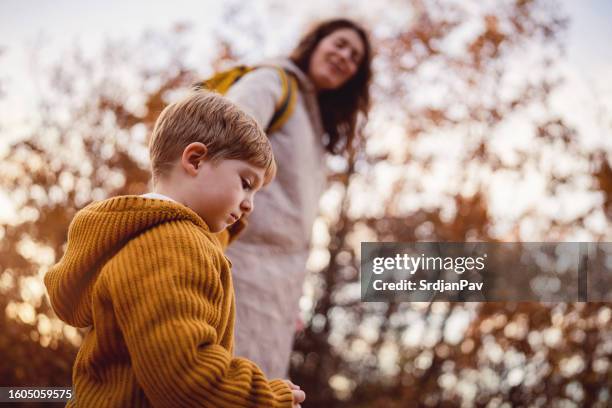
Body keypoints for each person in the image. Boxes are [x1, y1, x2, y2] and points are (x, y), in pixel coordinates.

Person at [44, 91, 306, 407]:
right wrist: (266, 398)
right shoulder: (170, 246)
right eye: (246, 183)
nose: (250, 204)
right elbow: (186, 376)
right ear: (195, 159)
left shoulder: (147, 235)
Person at [223, 18, 373, 378]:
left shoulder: (313, 126)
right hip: (233, 268)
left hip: (275, 295)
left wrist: (292, 297)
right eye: (339, 44)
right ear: (316, 43)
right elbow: (219, 139)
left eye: (354, 57)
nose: (344, 57)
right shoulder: (272, 81)